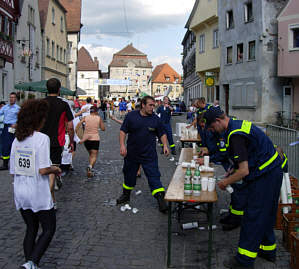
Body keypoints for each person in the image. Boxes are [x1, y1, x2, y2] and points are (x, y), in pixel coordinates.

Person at [204, 106, 283, 269]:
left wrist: (225, 182)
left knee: (252, 216)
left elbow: (244, 171)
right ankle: (268, 250)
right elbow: (246, 156)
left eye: (212, 127)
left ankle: (244, 261)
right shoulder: (236, 124)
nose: (213, 131)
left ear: (218, 121)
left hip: (265, 176)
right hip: (272, 170)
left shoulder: (235, 135)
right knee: (266, 213)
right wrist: (233, 169)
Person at [10, 99, 61, 269]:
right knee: (49, 228)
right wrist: (56, 169)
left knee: (31, 228)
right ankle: (31, 263)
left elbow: (12, 169)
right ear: (38, 119)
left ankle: (29, 263)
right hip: (37, 191)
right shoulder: (42, 139)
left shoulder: (17, 140)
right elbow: (43, 170)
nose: (45, 121)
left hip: (20, 189)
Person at [116, 96, 170, 213]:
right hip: (132, 154)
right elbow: (123, 131)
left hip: (149, 154)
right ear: (143, 105)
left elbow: (162, 133)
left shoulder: (155, 119)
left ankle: (161, 201)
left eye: (153, 105)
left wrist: (165, 145)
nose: (152, 107)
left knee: (154, 176)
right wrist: (122, 145)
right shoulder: (131, 116)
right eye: (150, 105)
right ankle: (126, 195)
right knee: (129, 175)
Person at [41, 78, 74, 209]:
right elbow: (70, 126)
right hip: (56, 141)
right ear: (59, 89)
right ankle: (49, 200)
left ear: (46, 89)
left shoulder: (40, 103)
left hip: (40, 141)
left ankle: (51, 198)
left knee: (44, 168)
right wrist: (71, 142)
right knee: (52, 170)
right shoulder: (63, 104)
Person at [77, 106, 105, 178]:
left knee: (90, 154)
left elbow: (78, 124)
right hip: (95, 139)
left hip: (86, 139)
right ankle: (90, 166)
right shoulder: (98, 118)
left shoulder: (86, 117)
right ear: (96, 111)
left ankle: (90, 171)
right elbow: (103, 129)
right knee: (94, 155)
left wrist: (77, 133)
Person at [0, 92, 20, 170]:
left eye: (13, 97)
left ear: (15, 99)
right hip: (6, 127)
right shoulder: (5, 107)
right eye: (10, 97)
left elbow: (22, 118)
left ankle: (15, 164)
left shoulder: (17, 108)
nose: (11, 99)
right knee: (5, 145)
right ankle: (5, 164)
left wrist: (16, 124)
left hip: (13, 128)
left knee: (13, 145)